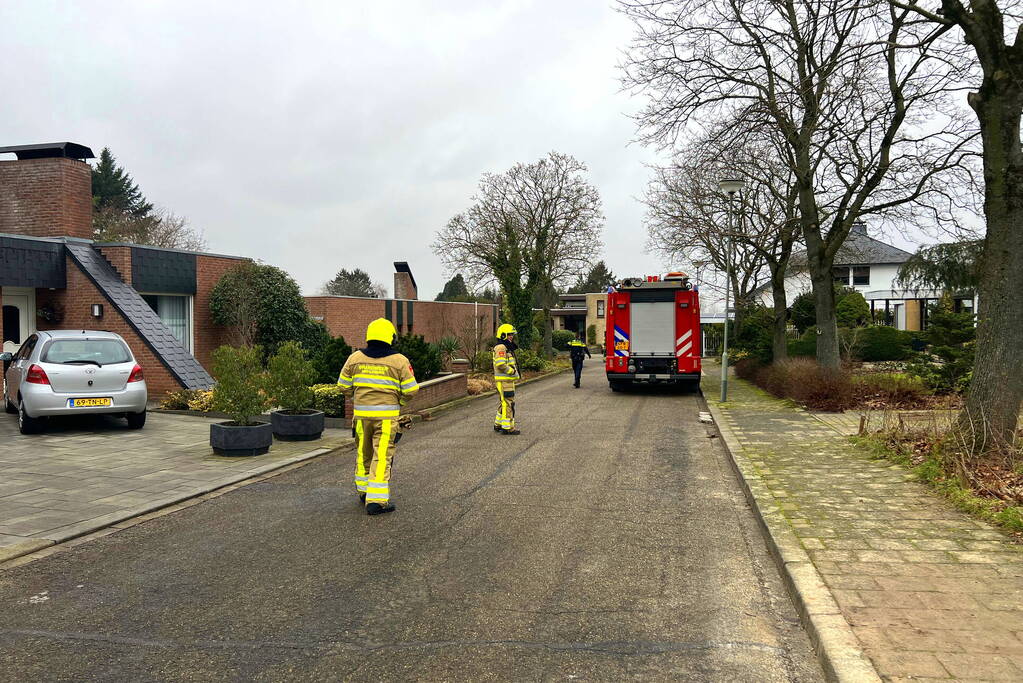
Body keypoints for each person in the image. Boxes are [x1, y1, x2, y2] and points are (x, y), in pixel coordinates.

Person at [337, 318, 418, 515]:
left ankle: (364, 491)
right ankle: (376, 501)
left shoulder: (354, 358)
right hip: (386, 419)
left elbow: (343, 385)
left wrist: (357, 397)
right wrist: (399, 402)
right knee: (381, 457)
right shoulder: (399, 360)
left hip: (361, 418)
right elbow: (411, 389)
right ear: (390, 337)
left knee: (363, 453)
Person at [492, 323, 520, 435]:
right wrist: (511, 371)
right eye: (509, 335)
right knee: (508, 403)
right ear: (503, 335)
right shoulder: (501, 347)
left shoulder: (505, 347)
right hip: (504, 380)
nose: (511, 337)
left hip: (507, 380)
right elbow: (500, 364)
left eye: (512, 334)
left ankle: (498, 424)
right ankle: (507, 428)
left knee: (504, 402)